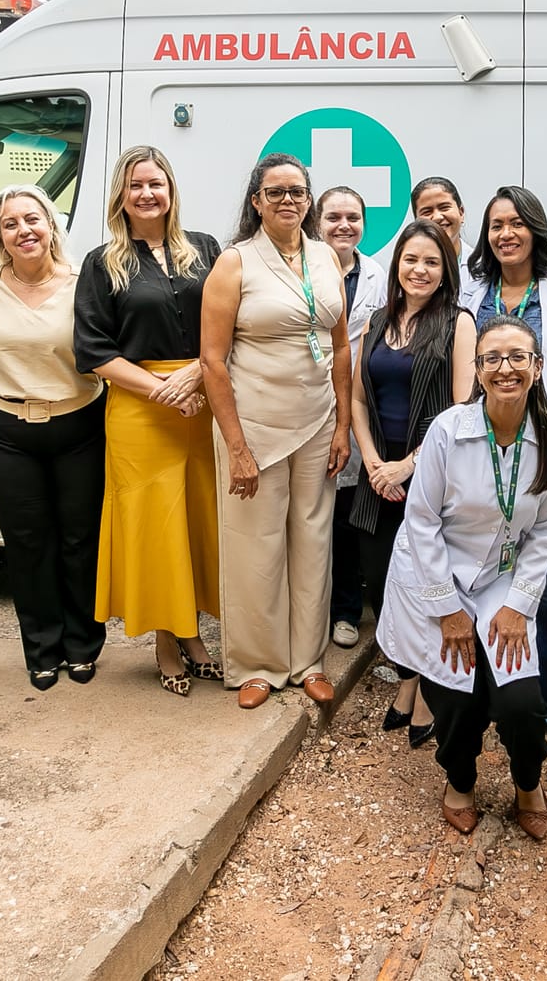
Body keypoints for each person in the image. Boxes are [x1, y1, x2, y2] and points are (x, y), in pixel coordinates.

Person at [377, 316, 547, 840]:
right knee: (458, 699)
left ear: (537, 367)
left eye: (517, 357)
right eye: (492, 359)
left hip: (504, 578)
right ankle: (459, 780)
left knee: (521, 704)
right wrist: (448, 608)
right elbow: (420, 522)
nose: (505, 368)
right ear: (477, 370)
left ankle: (529, 782)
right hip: (436, 577)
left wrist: (519, 604)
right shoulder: (448, 430)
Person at [202, 154, 352, 709]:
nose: (287, 199)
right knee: (255, 546)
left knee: (313, 541)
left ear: (309, 200)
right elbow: (213, 362)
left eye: (297, 191)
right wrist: (237, 448)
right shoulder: (234, 264)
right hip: (254, 424)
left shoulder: (325, 258)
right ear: (256, 201)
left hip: (316, 422)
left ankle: (307, 660)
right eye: (275, 191)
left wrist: (341, 424)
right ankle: (258, 665)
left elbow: (340, 349)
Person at [75, 146, 225, 696]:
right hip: (141, 408)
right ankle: (169, 641)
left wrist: (197, 378)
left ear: (171, 190)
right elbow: (92, 348)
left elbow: (229, 322)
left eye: (155, 183)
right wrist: (165, 389)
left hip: (204, 399)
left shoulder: (205, 249)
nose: (146, 194)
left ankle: (194, 633)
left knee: (196, 522)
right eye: (135, 185)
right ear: (121, 194)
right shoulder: (102, 262)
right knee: (157, 528)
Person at [0, 185, 105, 690]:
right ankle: (42, 649)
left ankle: (83, 645)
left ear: (50, 225)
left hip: (80, 424)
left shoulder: (86, 282)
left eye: (32, 219)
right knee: (26, 543)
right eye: (9, 223)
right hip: (4, 432)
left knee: (80, 540)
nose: (23, 230)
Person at [459, 184, 547, 736]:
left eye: (516, 223)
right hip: (478, 449)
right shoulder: (471, 292)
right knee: (481, 573)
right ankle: (487, 698)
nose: (506, 234)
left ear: (535, 230)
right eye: (496, 225)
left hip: (545, 449)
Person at [349, 220, 477, 745]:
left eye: (431, 262)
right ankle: (405, 679)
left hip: (433, 480)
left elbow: (464, 406)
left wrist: (409, 465)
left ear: (445, 270)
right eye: (411, 260)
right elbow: (358, 398)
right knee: (382, 584)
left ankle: (425, 691)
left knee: (428, 586)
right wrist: (377, 463)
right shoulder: (377, 320)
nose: (419, 270)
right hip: (376, 478)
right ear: (396, 266)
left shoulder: (458, 322)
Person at [321, 185, 390, 650]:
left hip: (359, 402)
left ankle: (346, 610)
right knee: (314, 515)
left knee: (346, 517)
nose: (344, 225)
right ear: (316, 222)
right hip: (308, 403)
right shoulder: (302, 267)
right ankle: (313, 612)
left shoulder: (378, 276)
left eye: (353, 217)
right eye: (333, 217)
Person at [411, 176, 467, 259]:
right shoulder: (404, 269)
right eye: (427, 212)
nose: (437, 217)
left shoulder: (485, 268)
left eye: (444, 207)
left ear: (461, 213)